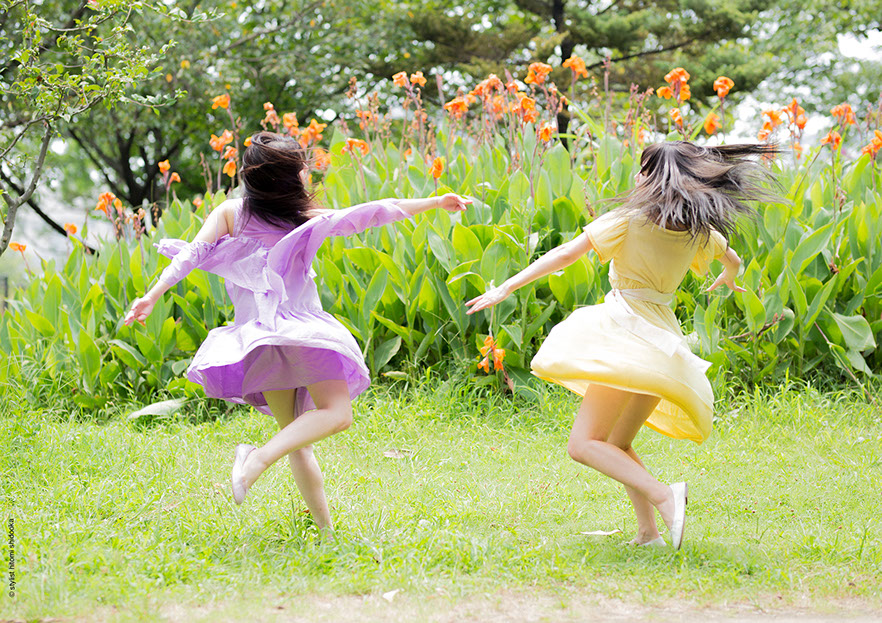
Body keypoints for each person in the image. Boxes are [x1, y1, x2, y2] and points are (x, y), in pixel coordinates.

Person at [124, 131, 471, 535]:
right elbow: (375, 212)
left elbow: (191, 255)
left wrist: (152, 295)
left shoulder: (232, 213)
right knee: (336, 414)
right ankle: (255, 458)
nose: (307, 175)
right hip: (302, 332)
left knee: (296, 438)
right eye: (302, 170)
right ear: (289, 179)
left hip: (260, 339)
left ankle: (325, 532)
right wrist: (435, 202)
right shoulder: (305, 218)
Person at [465, 141, 778, 549]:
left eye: (642, 169)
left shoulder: (628, 220)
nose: (636, 175)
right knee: (618, 442)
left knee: (583, 444)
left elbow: (566, 255)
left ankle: (666, 495)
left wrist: (506, 287)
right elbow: (732, 259)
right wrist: (730, 278)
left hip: (625, 334)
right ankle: (648, 533)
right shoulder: (698, 232)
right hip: (663, 345)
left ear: (650, 178)